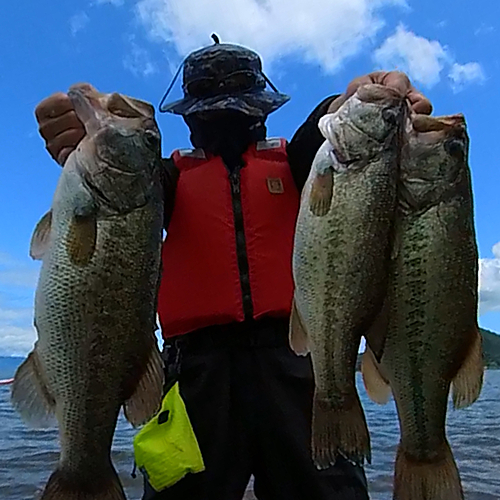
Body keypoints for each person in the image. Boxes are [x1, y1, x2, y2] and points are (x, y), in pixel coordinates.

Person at [35, 38, 431, 500]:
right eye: (209, 110)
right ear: (187, 117)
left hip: (299, 365)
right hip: (194, 375)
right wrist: (77, 137)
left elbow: (330, 134)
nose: (225, 120)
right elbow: (118, 199)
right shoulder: (160, 180)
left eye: (240, 107)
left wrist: (357, 99)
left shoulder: (308, 164)